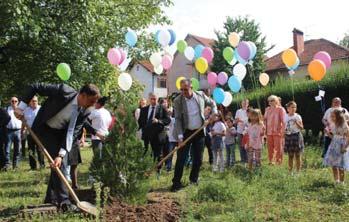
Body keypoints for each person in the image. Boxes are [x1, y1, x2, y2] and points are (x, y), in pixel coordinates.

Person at [16, 83, 103, 211]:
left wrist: (61, 155)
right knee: (59, 166)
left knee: (60, 162)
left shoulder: (85, 111)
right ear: (83, 95)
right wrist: (21, 107)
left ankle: (50, 198)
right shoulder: (64, 91)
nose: (92, 105)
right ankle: (64, 202)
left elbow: (71, 133)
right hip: (44, 128)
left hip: (60, 134)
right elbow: (34, 87)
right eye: (91, 101)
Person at [171, 79, 217, 192]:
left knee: (198, 158)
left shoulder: (200, 95)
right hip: (185, 132)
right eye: (181, 90)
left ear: (191, 87)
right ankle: (176, 183)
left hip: (199, 131)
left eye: (185, 89)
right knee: (181, 158)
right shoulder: (178, 101)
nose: (183, 92)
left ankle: (193, 180)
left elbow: (212, 103)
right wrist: (180, 137)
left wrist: (213, 114)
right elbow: (177, 119)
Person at [138, 93, 170, 163]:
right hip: (146, 135)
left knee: (157, 154)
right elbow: (140, 122)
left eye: (155, 99)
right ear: (149, 100)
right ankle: (146, 169)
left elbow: (168, 120)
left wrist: (158, 121)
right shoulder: (144, 109)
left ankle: (157, 170)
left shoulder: (162, 108)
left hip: (157, 135)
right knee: (146, 153)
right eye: (151, 99)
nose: (153, 101)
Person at [323, 109, 349, 184]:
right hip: (334, 145)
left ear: (338, 116)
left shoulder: (344, 125)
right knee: (333, 164)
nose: (331, 117)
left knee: (341, 165)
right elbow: (334, 137)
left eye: (333, 116)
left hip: (342, 145)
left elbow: (348, 137)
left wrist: (345, 147)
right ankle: (336, 181)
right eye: (331, 116)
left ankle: (342, 182)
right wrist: (328, 133)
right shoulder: (333, 124)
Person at [22, 96, 44, 170]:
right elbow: (24, 121)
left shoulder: (41, 109)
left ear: (38, 101)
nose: (34, 102)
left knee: (40, 149)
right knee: (31, 150)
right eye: (33, 101)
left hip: (39, 132)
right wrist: (23, 130)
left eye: (35, 101)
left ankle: (42, 165)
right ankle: (33, 167)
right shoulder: (26, 110)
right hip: (30, 132)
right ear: (30, 102)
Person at [264, 95, 285, 165]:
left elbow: (284, 121)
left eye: (272, 100)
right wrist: (264, 130)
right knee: (270, 148)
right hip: (269, 132)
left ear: (276, 101)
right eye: (269, 101)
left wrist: (283, 131)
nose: (270, 102)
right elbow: (265, 120)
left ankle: (278, 162)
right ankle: (271, 161)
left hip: (278, 132)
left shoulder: (280, 109)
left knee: (278, 148)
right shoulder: (267, 109)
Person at [284, 101, 304, 173]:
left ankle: (298, 172)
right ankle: (290, 172)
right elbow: (283, 127)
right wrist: (284, 134)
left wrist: (297, 122)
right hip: (288, 136)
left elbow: (301, 127)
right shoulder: (285, 116)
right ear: (288, 108)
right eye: (292, 107)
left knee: (298, 155)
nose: (294, 108)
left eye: (295, 107)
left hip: (297, 136)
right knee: (290, 155)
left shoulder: (297, 116)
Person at [3, 97, 22, 170]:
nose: (14, 102)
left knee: (17, 149)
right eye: (12, 101)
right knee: (7, 149)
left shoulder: (21, 109)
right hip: (9, 131)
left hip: (18, 131)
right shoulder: (6, 109)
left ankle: (16, 166)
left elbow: (25, 119)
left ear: (18, 102)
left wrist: (24, 130)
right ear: (10, 102)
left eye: (15, 101)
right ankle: (7, 165)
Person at [235, 99, 249, 164]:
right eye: (243, 103)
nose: (244, 104)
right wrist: (243, 121)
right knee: (241, 145)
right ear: (241, 103)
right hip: (239, 130)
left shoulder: (249, 111)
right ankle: (242, 159)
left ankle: (248, 159)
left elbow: (250, 120)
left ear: (248, 104)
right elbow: (236, 120)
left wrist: (243, 122)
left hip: (247, 131)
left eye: (245, 103)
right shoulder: (238, 111)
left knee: (247, 145)